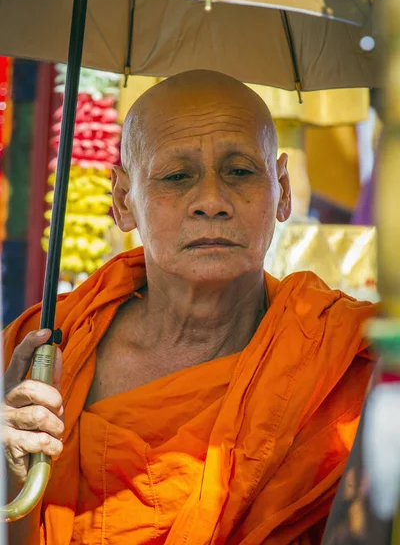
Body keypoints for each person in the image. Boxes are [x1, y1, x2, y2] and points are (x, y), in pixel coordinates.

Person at [3, 70, 377, 545]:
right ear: (122, 200)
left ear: (281, 188)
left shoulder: (342, 358)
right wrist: (12, 471)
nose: (211, 201)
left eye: (240, 171)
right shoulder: (44, 350)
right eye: (177, 177)